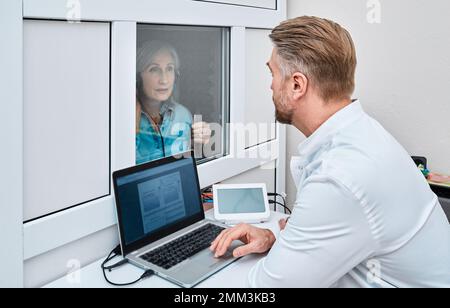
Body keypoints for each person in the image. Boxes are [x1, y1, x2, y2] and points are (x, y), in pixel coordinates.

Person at [210, 16, 450, 287]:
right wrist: (274, 238)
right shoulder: (362, 134)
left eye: (272, 73)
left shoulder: (341, 175)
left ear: (297, 85)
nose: (271, 85)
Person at [136, 40, 211, 164]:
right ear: (138, 77)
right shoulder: (128, 120)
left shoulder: (183, 114)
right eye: (154, 69)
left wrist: (200, 145)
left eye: (169, 69)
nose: (164, 80)